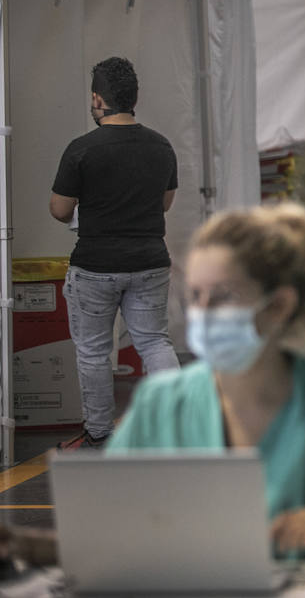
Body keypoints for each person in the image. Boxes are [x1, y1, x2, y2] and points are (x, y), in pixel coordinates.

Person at [107, 203, 305, 557]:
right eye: (194, 297)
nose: (202, 314)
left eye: (222, 297)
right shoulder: (160, 405)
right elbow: (105, 527)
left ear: (278, 306)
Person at [48, 57, 181, 449]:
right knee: (155, 343)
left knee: (93, 353)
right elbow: (165, 204)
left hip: (94, 267)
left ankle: (100, 434)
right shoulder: (161, 146)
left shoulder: (81, 149)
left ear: (97, 99)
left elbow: (59, 210)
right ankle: (176, 427)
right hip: (149, 262)